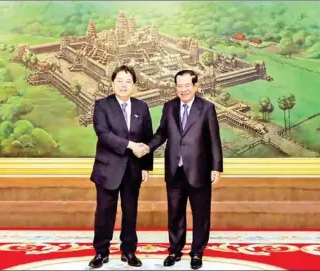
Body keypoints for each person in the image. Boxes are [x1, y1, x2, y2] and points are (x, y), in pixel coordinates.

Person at [142, 70, 223, 269]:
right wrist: (146, 147)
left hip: (199, 170)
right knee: (175, 213)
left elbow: (214, 140)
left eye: (187, 85)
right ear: (175, 86)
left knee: (201, 214)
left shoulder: (207, 108)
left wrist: (216, 167)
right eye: (179, 86)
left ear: (195, 86)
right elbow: (161, 134)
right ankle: (175, 251)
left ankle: (197, 253)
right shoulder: (169, 107)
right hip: (174, 170)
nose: (183, 89)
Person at [88, 65, 153, 268]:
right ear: (112, 83)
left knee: (130, 210)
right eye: (120, 81)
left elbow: (147, 138)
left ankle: (129, 251)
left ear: (133, 85)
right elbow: (103, 134)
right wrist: (130, 145)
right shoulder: (102, 105)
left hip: (133, 169)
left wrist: (145, 167)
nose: (124, 85)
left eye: (128, 81)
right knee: (105, 212)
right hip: (108, 168)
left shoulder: (142, 107)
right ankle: (101, 252)